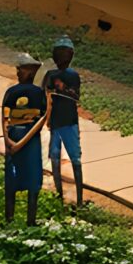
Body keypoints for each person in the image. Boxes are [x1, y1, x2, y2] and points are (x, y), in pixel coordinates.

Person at [2, 53, 50, 225]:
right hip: (14, 138)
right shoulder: (11, 92)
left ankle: (31, 220)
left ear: (30, 72)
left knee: (33, 179)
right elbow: (5, 117)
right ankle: (9, 218)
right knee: (11, 179)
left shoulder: (38, 94)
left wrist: (19, 143)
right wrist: (8, 139)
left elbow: (41, 120)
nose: (18, 72)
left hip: (28, 142)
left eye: (21, 69)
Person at [43, 36, 85, 206]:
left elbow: (76, 96)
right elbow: (45, 94)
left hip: (69, 122)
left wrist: (62, 88)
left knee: (75, 159)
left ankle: (80, 198)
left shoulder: (72, 75)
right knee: (54, 157)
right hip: (56, 122)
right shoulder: (50, 75)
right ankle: (59, 194)